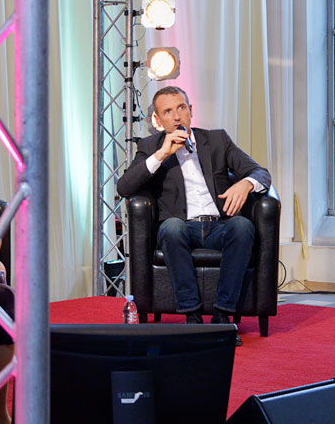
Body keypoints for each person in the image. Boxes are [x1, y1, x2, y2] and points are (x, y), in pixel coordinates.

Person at [116, 86, 271, 334]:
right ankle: (192, 316)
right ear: (158, 120)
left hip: (218, 226)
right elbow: (124, 187)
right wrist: (161, 154)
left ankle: (222, 316)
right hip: (180, 227)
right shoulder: (150, 146)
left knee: (242, 226)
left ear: (190, 110)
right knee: (171, 228)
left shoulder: (217, 140)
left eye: (181, 108)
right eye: (168, 111)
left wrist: (246, 183)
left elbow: (260, 172)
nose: (177, 116)